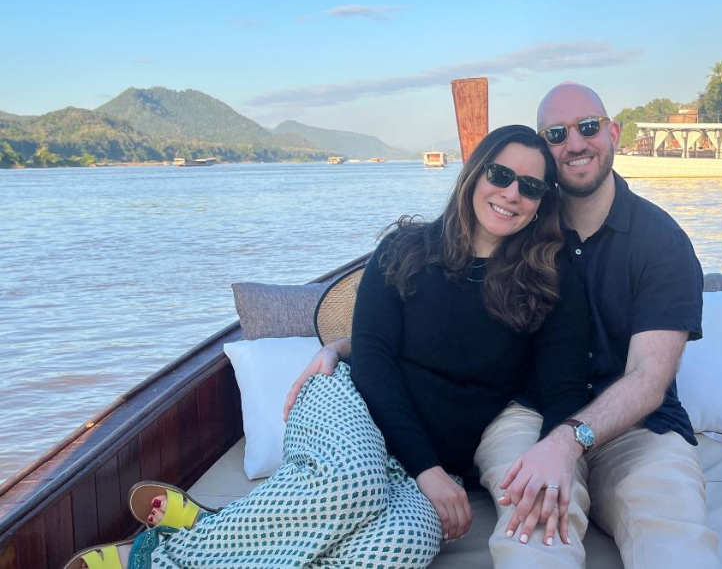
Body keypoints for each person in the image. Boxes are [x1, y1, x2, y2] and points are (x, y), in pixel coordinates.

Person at [63, 125, 591, 569]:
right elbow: (376, 362)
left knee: (401, 545)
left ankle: (218, 529)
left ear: (543, 201)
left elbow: (562, 384)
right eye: (500, 175)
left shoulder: (546, 279)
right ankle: (157, 557)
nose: (512, 193)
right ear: (474, 175)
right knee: (350, 484)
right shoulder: (406, 250)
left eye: (531, 186)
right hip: (353, 406)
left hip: (435, 457)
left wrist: (555, 452)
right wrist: (427, 470)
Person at [476, 82, 719, 568]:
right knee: (534, 542)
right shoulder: (515, 224)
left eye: (588, 127)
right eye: (556, 134)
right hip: (528, 413)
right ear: (544, 148)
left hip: (637, 426)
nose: (575, 143)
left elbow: (649, 380)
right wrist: (346, 343)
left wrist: (570, 441)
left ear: (612, 132)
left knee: (672, 532)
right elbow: (438, 307)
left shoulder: (661, 241)